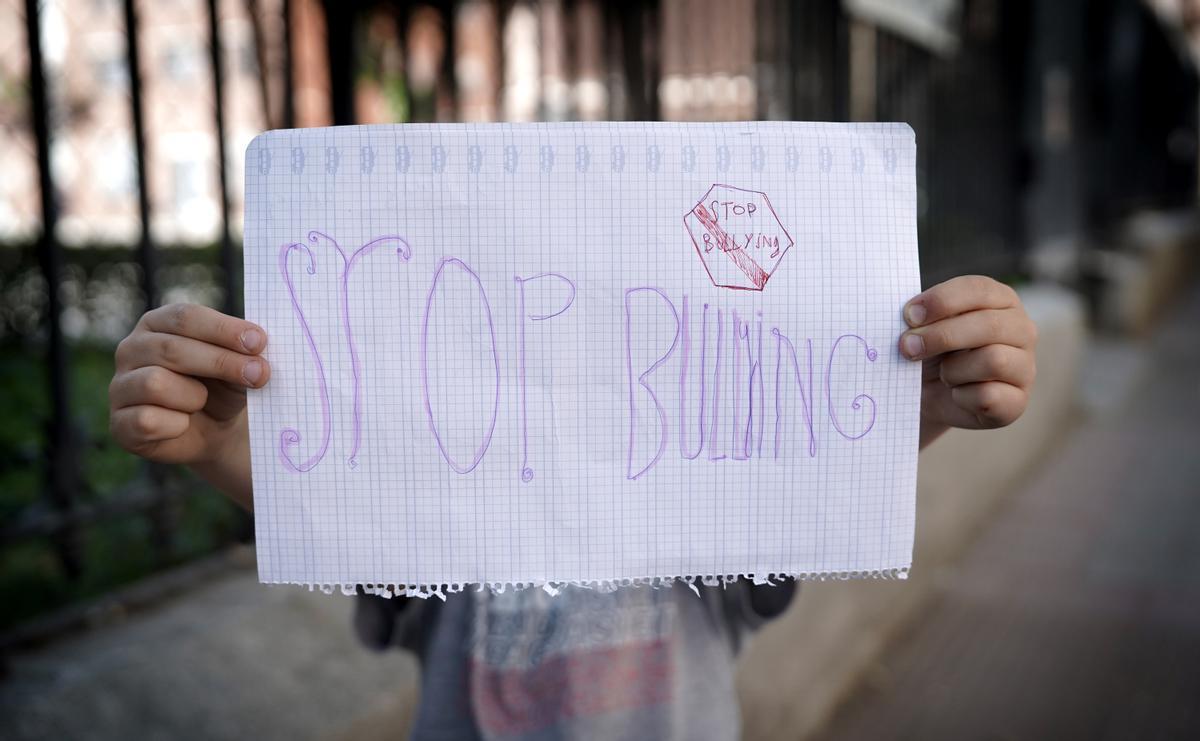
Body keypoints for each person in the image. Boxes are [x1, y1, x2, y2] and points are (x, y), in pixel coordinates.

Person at [109, 275, 1037, 740]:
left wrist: (915, 412)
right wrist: (223, 448)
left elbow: (796, 484)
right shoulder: (447, 500)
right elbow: (347, 510)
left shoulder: (705, 497)